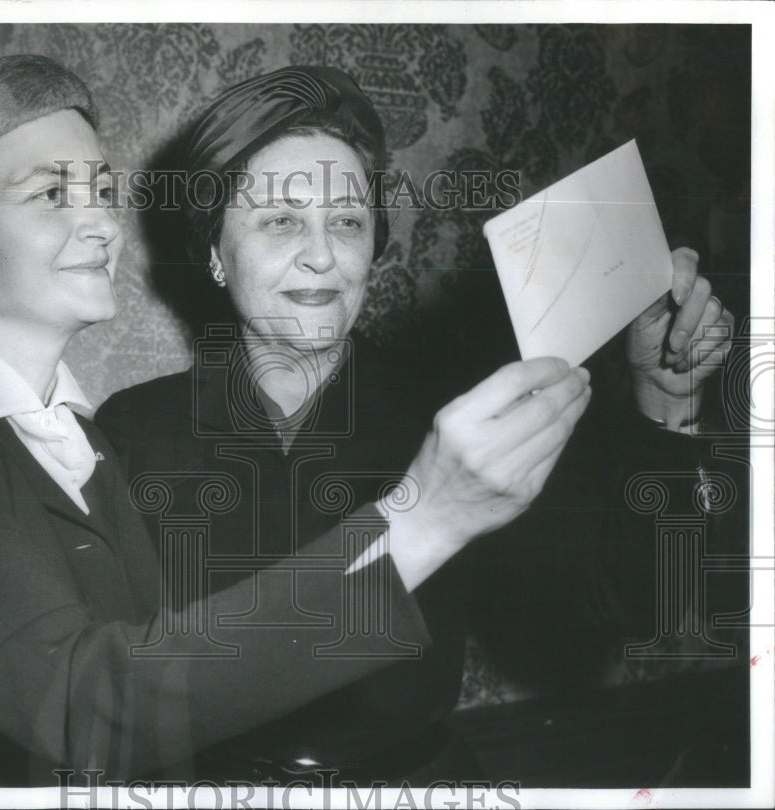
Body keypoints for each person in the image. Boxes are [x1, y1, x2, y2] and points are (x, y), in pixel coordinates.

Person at [0, 56, 593, 787]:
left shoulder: (77, 445)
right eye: (52, 194)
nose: (105, 224)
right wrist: (426, 519)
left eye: (103, 191)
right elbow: (88, 706)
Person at [96, 66, 738, 784]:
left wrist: (666, 403)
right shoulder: (132, 432)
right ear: (214, 252)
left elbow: (643, 601)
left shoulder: (458, 417)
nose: (321, 253)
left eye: (347, 220)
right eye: (280, 220)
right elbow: (113, 691)